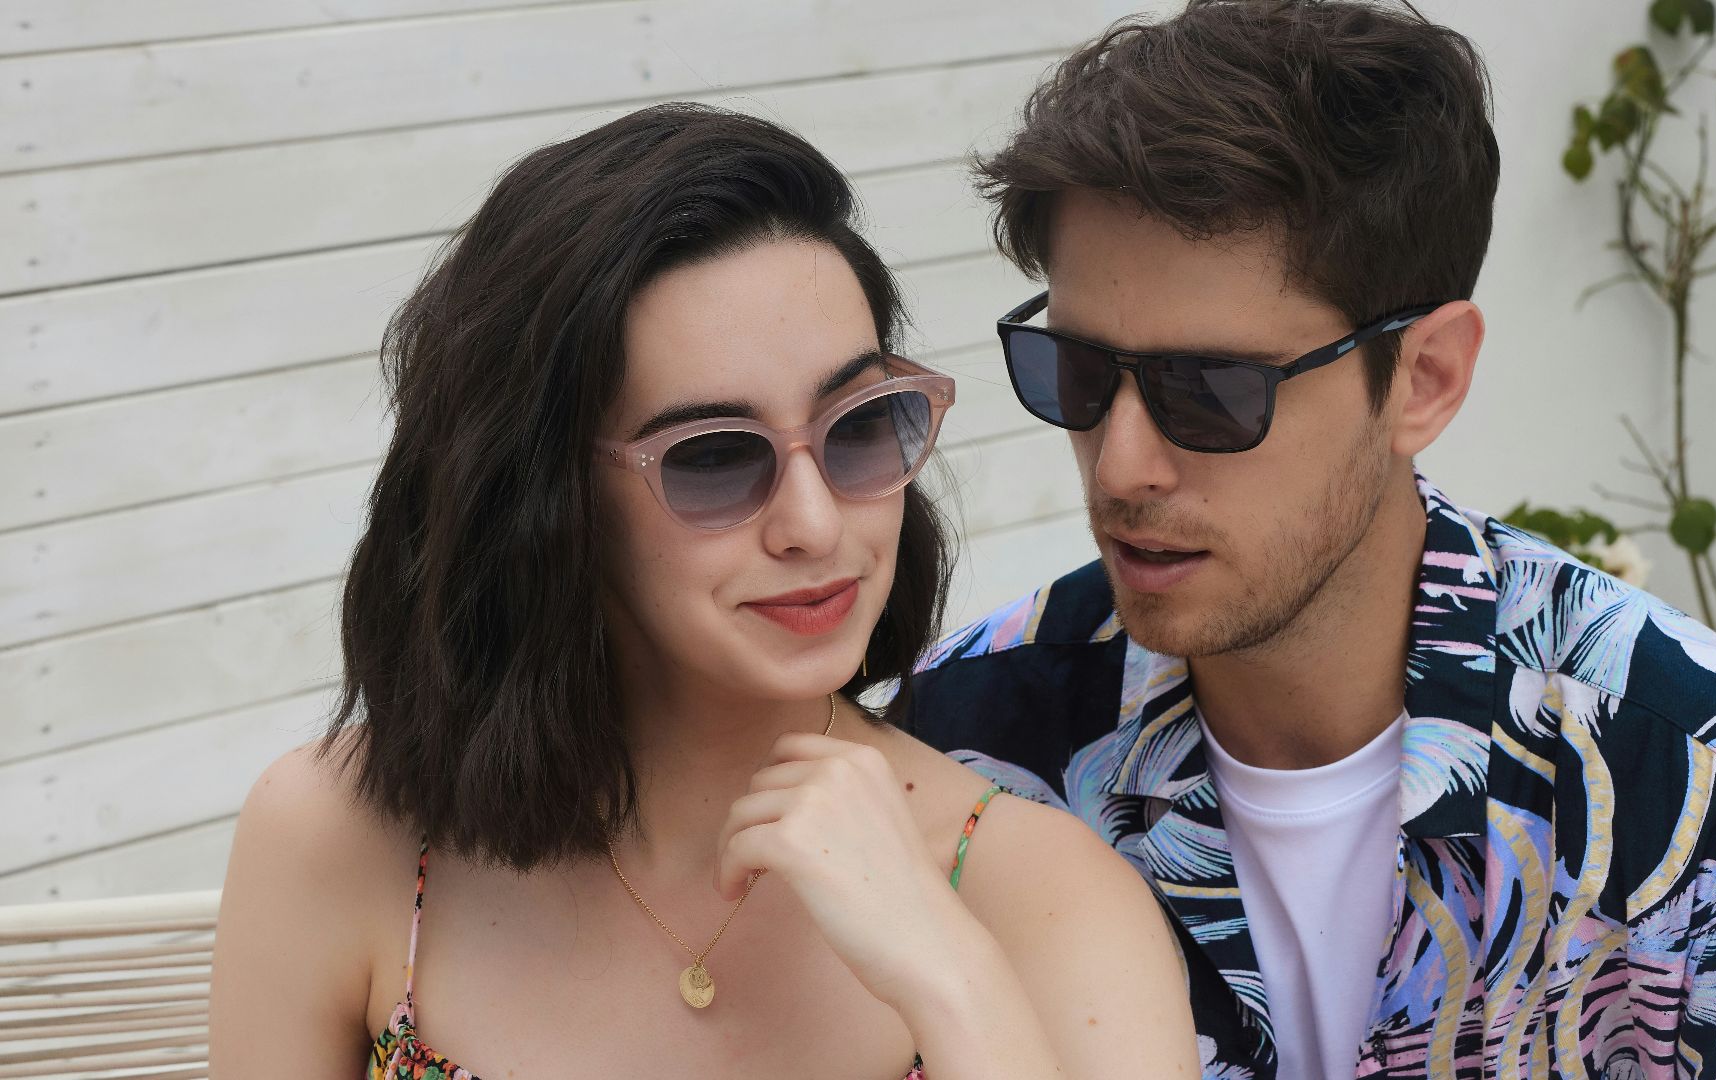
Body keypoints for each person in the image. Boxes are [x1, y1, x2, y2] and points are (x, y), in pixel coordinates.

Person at [904, 3, 1716, 1078]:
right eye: (1076, 372)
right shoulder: (963, 750)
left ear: (1424, 378)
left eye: (1209, 391)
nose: (1121, 466)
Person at [209, 103, 1199, 1079]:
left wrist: (950, 976)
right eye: (717, 458)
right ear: (542, 501)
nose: (814, 524)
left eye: (860, 426)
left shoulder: (1044, 895)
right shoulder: (344, 837)